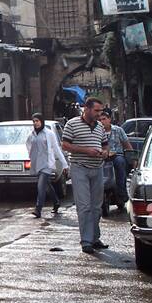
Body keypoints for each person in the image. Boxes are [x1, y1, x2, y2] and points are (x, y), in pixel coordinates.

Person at [60, 97, 110, 254]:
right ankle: (86, 241)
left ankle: (95, 238)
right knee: (84, 206)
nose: (98, 114)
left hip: (97, 168)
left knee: (96, 206)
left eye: (100, 111)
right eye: (96, 111)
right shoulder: (72, 124)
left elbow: (105, 144)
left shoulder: (100, 127)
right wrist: (86, 150)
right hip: (79, 168)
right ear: (86, 109)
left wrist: (105, 153)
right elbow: (65, 145)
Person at [25, 113, 67, 219]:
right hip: (37, 163)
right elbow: (28, 145)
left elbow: (56, 149)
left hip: (47, 164)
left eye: (37, 121)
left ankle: (38, 209)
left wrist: (64, 164)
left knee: (41, 186)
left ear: (42, 121)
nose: (35, 123)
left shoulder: (49, 134)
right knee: (46, 185)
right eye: (34, 121)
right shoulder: (32, 134)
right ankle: (56, 202)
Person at [100, 109, 133, 205]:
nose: (102, 121)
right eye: (100, 120)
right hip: (101, 157)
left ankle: (122, 192)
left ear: (109, 119)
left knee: (120, 163)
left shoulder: (118, 130)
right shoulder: (96, 131)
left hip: (117, 155)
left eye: (104, 119)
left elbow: (127, 144)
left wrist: (132, 158)